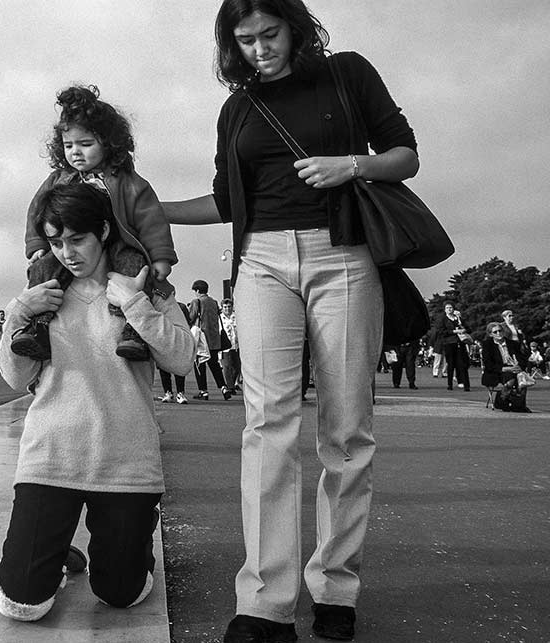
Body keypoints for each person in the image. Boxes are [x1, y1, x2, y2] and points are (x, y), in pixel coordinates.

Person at [161, 1, 421, 639]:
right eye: (244, 40)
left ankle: (336, 587)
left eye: (269, 34)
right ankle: (266, 603)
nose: (258, 49)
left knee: (347, 425)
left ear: (296, 28)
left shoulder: (348, 74)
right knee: (267, 423)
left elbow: (405, 154)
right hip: (262, 264)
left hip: (346, 257)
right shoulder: (239, 107)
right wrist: (142, 207)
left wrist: (351, 164)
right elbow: (226, 199)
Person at [0, 181, 194, 621]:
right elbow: (15, 378)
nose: (66, 252)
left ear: (103, 230)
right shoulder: (43, 293)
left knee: (120, 594)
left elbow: (182, 361)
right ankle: (55, 552)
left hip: (125, 460)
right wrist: (19, 313)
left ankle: (132, 538)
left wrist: (136, 304)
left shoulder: (144, 285)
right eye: (56, 241)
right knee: (21, 605)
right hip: (51, 456)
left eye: (77, 239)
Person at [10, 85, 178, 363]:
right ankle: (38, 328)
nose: (75, 152)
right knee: (43, 270)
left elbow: (152, 218)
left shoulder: (127, 181)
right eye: (68, 145)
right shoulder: (59, 179)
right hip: (73, 244)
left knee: (136, 268)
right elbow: (38, 211)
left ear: (108, 143)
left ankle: (132, 332)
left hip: (119, 245)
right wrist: (38, 244)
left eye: (85, 144)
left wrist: (161, 256)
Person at [189, 280, 232, 400]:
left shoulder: (196, 301)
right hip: (214, 339)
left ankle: (203, 391)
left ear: (197, 290)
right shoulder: (214, 302)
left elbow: (191, 318)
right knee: (214, 365)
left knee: (199, 364)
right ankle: (224, 387)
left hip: (202, 339)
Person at [481, 322, 531, 413]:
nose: (498, 333)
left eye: (500, 331)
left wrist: (519, 366)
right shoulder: (487, 345)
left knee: (522, 380)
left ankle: (518, 405)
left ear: (503, 331)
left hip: (514, 369)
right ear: (490, 334)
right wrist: (504, 369)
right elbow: (488, 364)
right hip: (495, 372)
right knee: (511, 378)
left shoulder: (513, 344)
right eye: (495, 332)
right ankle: (502, 400)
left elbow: (523, 359)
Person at [158, 301, 194, 404]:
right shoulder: (159, 306)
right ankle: (168, 392)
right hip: (163, 339)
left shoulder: (181, 307)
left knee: (179, 367)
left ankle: (180, 393)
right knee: (163, 366)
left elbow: (188, 323)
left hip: (178, 339)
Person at [434, 302, 471, 391]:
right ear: (445, 310)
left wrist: (463, 329)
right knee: (451, 364)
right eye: (447, 308)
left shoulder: (458, 319)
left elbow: (469, 329)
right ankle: (449, 384)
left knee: (463, 364)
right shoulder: (443, 320)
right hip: (449, 344)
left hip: (460, 343)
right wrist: (454, 332)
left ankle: (466, 384)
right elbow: (441, 332)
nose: (450, 309)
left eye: (451, 307)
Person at [219, 298, 241, 393]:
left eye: (229, 307)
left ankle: (231, 383)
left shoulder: (236, 317)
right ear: (222, 308)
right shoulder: (219, 318)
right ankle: (230, 387)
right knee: (227, 366)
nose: (227, 309)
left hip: (235, 345)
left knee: (237, 366)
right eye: (225, 307)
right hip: (224, 346)